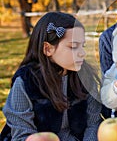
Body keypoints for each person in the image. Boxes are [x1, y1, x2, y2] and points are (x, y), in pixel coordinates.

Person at [1, 12, 102, 140]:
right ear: (48, 49)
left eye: (82, 46)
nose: (82, 53)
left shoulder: (85, 76)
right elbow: (23, 134)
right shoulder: (26, 82)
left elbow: (93, 124)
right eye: (73, 47)